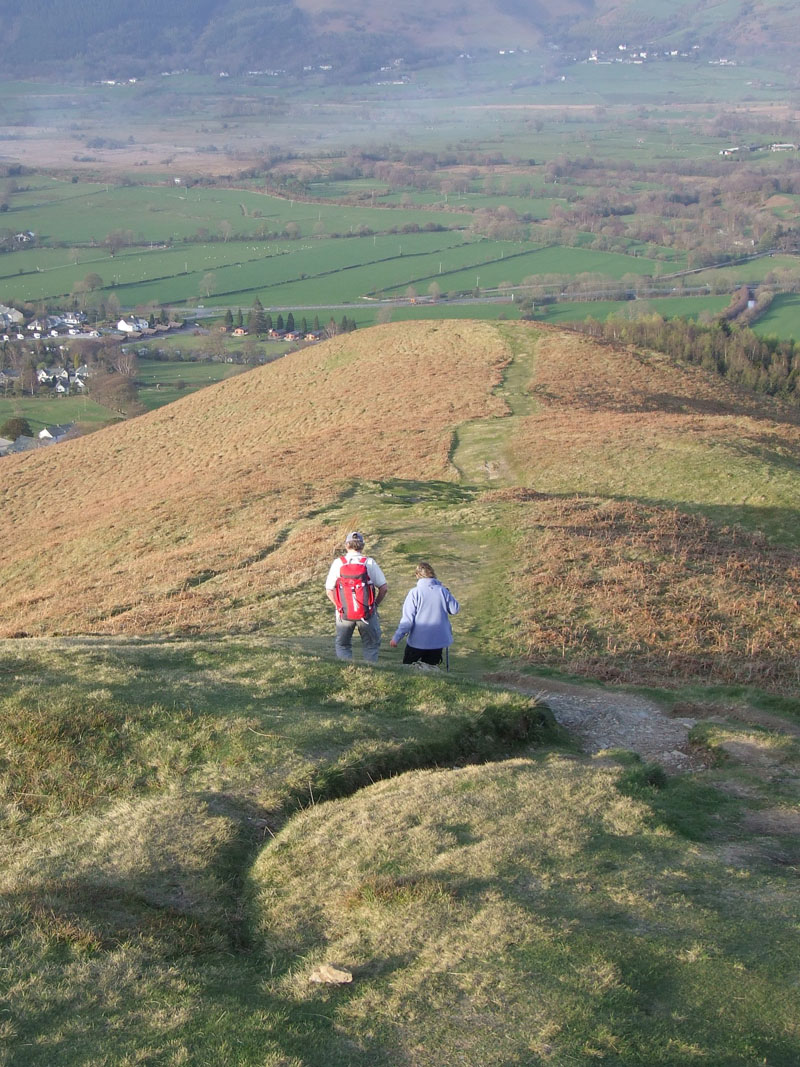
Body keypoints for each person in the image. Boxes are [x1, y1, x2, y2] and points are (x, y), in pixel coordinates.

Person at [325, 531, 388, 663]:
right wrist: (374, 605)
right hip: (367, 613)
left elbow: (329, 590)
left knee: (343, 644)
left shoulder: (338, 563)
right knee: (371, 645)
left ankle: (348, 671)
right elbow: (383, 588)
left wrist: (339, 605)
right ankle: (369, 673)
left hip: (344, 613)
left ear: (347, 545)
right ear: (362, 546)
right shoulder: (369, 562)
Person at [390, 562, 459, 667]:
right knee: (431, 670)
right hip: (438, 641)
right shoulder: (442, 591)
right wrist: (448, 593)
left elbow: (407, 621)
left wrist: (396, 638)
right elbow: (454, 609)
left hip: (417, 641)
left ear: (417, 575)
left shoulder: (415, 593)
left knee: (408, 669)